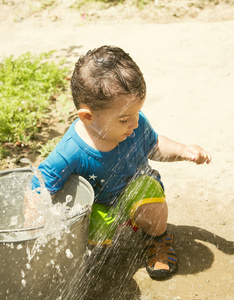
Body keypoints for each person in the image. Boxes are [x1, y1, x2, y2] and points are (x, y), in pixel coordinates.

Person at [31, 45, 211, 280]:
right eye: (125, 119)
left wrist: (183, 150)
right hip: (100, 207)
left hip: (135, 192)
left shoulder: (133, 123)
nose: (135, 123)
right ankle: (91, 256)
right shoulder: (71, 150)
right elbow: (40, 187)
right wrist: (34, 229)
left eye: (138, 113)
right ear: (88, 117)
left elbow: (154, 144)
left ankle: (157, 240)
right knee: (85, 225)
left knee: (150, 192)